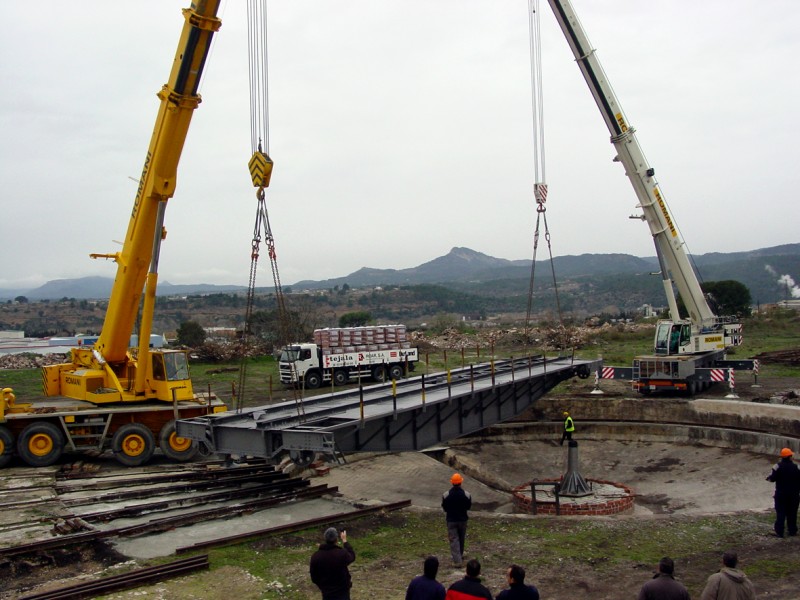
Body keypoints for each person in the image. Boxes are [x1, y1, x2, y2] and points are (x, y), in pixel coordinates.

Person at [309, 527, 356, 600]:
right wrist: (344, 541)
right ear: (336, 540)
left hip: (327, 592)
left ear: (325, 539)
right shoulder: (341, 554)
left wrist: (323, 586)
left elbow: (314, 577)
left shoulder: (316, 556)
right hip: (342, 591)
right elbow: (352, 556)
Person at [765, 447, 800, 537]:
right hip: (794, 495)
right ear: (790, 457)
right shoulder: (796, 467)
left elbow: (772, 478)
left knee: (781, 513)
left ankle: (779, 532)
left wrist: (768, 478)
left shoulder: (777, 466)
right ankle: (792, 531)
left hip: (781, 494)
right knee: (792, 513)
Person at [442, 473, 472, 567]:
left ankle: (457, 560)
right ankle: (460, 555)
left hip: (451, 520)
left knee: (454, 539)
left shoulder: (446, 495)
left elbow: (445, 508)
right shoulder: (467, 495)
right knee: (461, 538)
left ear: (452, 483)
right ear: (461, 482)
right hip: (463, 520)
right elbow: (468, 507)